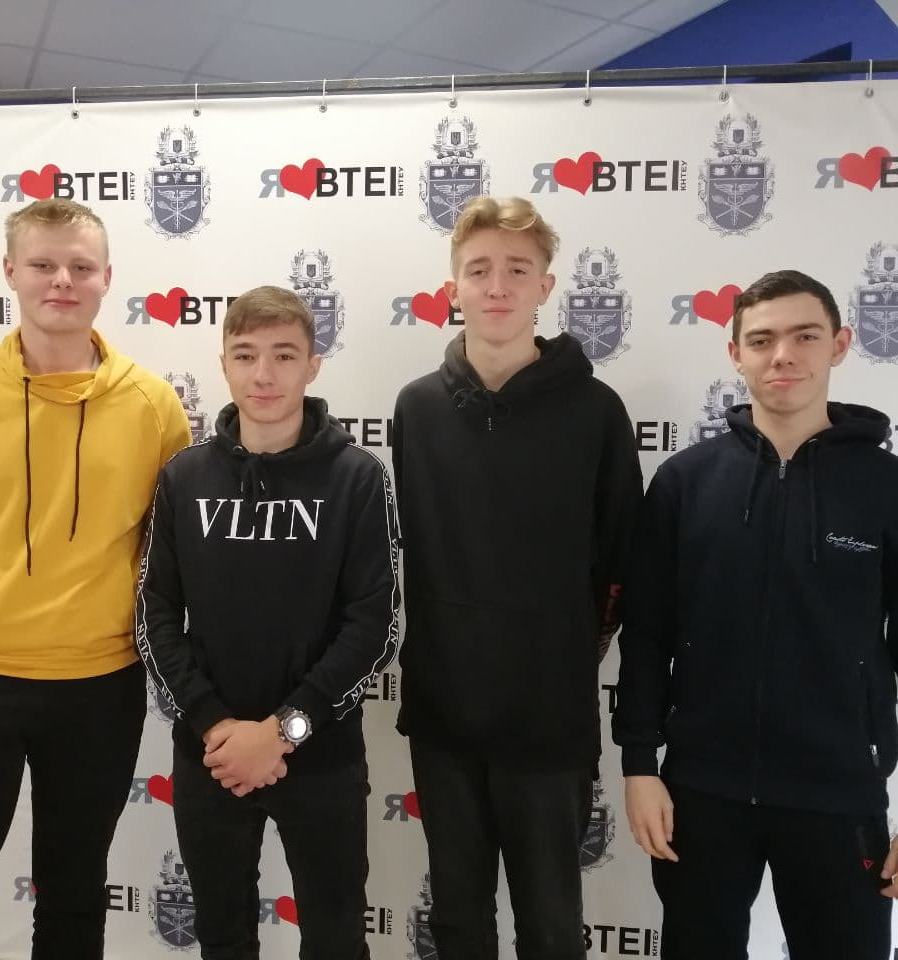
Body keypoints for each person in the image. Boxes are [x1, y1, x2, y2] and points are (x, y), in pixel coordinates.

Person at [614, 269, 898, 960]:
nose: (783, 355)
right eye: (762, 340)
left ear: (838, 344)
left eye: (804, 336)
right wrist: (639, 763)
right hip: (701, 792)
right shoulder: (686, 483)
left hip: (838, 794)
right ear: (736, 354)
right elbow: (649, 634)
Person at [0, 198, 192, 959]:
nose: (62, 280)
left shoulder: (155, 406)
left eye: (81, 267)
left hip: (98, 687)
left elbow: (165, 553)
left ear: (106, 278)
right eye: (44, 264)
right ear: (10, 272)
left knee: (74, 898)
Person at [392, 196, 642, 960]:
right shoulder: (416, 409)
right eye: (479, 270)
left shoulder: (596, 412)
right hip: (444, 718)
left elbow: (620, 568)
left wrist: (559, 655)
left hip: (548, 720)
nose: (497, 286)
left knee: (551, 926)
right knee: (458, 922)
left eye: (516, 269)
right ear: (453, 288)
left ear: (545, 286)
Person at [135, 284, 400, 960]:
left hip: (321, 753)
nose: (264, 374)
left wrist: (285, 731)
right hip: (212, 754)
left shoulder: (358, 478)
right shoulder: (184, 477)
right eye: (246, 354)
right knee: (223, 939)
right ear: (223, 363)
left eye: (284, 355)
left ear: (313, 365)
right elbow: (154, 611)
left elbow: (375, 626)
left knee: (336, 941)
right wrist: (213, 726)